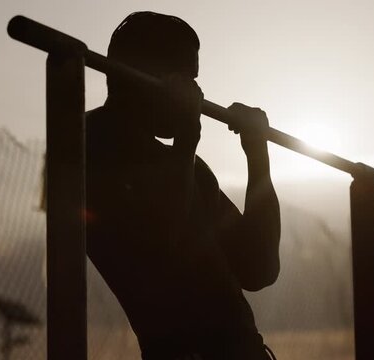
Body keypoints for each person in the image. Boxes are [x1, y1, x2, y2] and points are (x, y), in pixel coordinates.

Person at [85, 11, 281, 360]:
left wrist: (257, 153)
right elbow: (161, 245)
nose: (197, 93)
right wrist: (187, 136)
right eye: (184, 79)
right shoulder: (90, 141)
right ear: (142, 74)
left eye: (194, 80)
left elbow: (259, 268)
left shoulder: (189, 167)